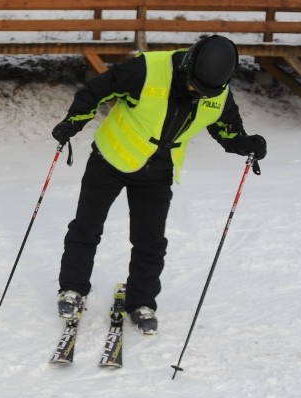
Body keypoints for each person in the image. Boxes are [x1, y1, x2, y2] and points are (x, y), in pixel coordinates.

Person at [50, 34, 266, 335]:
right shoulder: (147, 68)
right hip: (110, 160)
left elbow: (227, 128)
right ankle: (72, 289)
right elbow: (98, 89)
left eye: (205, 92)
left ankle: (141, 302)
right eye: (194, 86)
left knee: (150, 242)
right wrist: (73, 121)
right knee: (86, 228)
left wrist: (245, 144)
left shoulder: (217, 92)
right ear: (189, 65)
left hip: (159, 172)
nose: (197, 94)